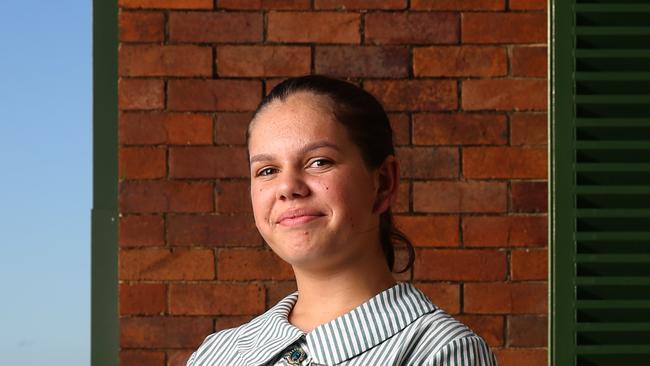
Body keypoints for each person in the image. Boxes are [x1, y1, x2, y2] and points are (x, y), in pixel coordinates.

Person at [186, 75, 498, 366]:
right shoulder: (215, 354)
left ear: (384, 182)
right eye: (267, 170)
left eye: (319, 162)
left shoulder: (443, 351)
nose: (287, 188)